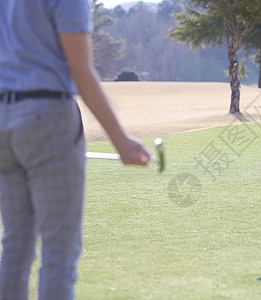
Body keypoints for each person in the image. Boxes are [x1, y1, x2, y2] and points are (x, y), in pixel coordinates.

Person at [0, 0, 152, 298]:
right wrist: (120, 141)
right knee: (59, 253)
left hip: (3, 121)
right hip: (47, 119)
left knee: (15, 250)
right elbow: (80, 69)